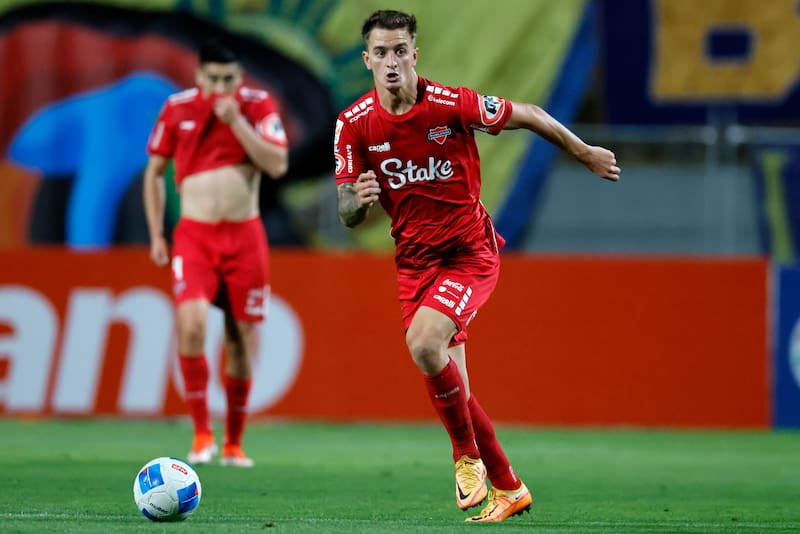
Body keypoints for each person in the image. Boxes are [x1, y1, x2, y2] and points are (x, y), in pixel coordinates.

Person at [334, 10, 620, 523]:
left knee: (424, 345)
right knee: (455, 387)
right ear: (367, 60)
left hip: (469, 255)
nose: (392, 61)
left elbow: (529, 112)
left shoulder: (450, 105)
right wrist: (359, 200)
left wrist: (581, 152)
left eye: (400, 50)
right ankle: (509, 486)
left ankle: (465, 458)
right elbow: (346, 213)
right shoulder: (353, 124)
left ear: (414, 54)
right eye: (381, 53)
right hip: (413, 263)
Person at [143, 38, 289, 467]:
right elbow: (153, 172)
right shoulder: (177, 108)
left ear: (240, 77)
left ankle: (234, 443)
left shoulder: (259, 106)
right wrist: (156, 234)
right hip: (195, 236)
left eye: (230, 79)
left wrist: (237, 123)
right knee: (190, 326)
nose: (222, 88)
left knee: (240, 338)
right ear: (199, 76)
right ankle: (202, 434)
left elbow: (278, 164)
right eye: (214, 79)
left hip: (244, 236)